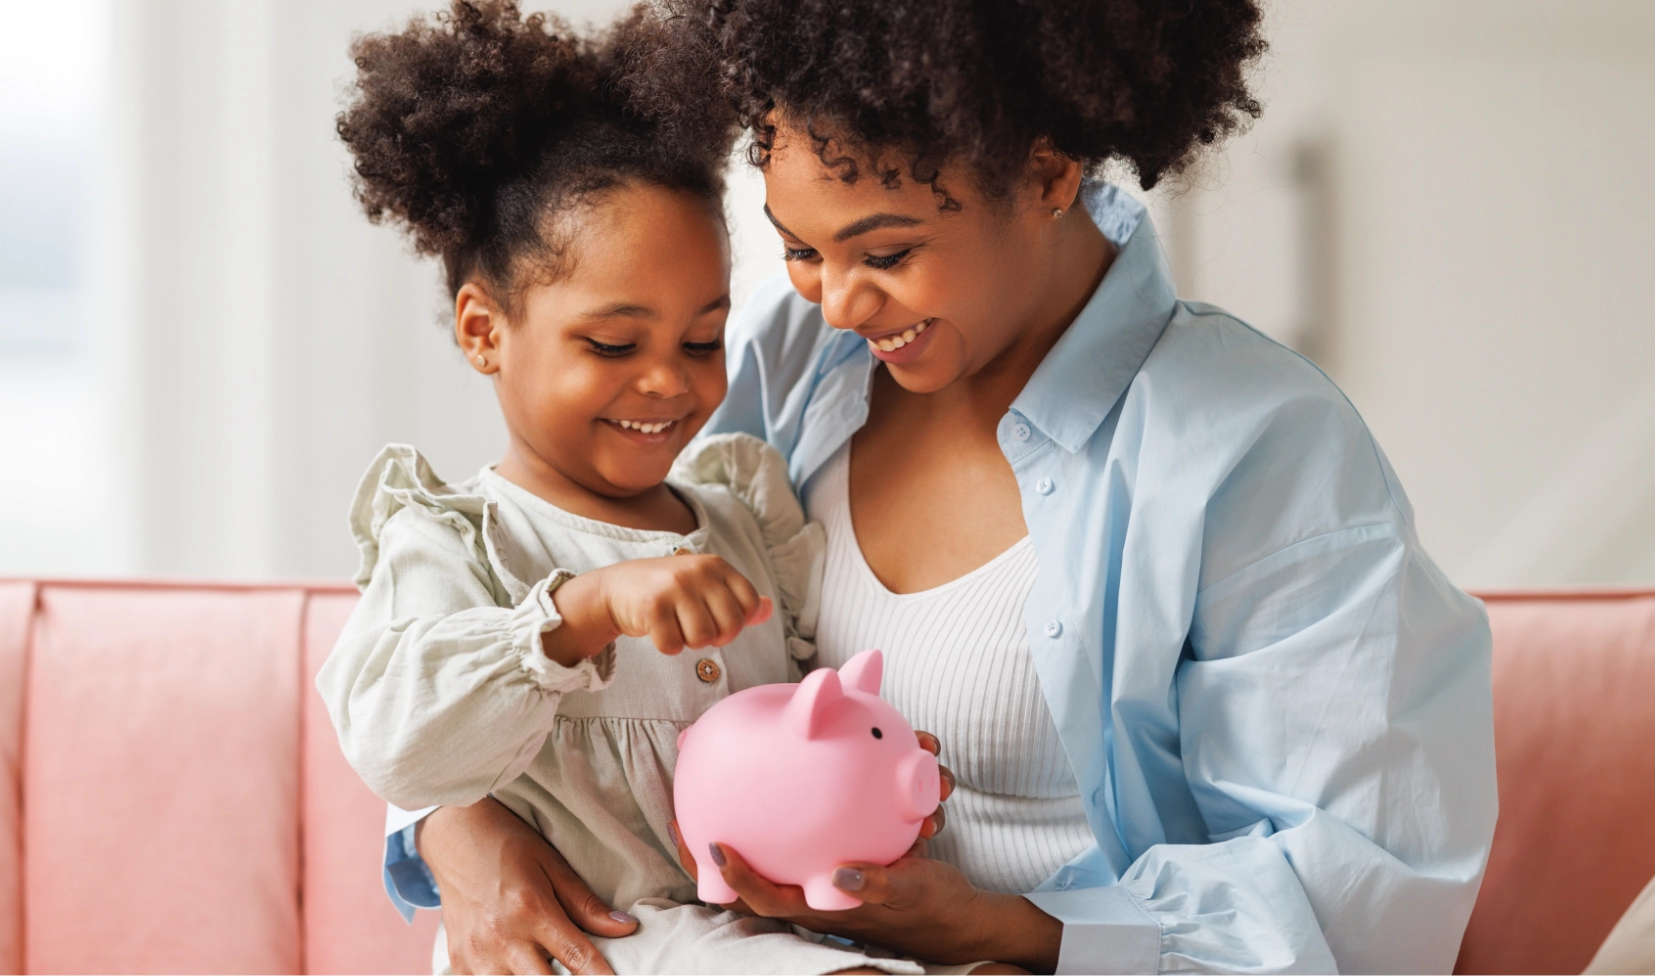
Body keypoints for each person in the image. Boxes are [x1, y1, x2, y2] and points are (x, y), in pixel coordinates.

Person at [403, 0, 1499, 973]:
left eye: (884, 252)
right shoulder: (797, 370)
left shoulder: (1258, 447)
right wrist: (452, 825)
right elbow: (536, 590)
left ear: (1046, 172)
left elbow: (1361, 906)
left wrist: (993, 927)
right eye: (796, 249)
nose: (834, 301)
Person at [317, 3, 961, 975]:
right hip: (596, 941)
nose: (670, 382)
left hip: (756, 933)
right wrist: (577, 615)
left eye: (703, 340)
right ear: (484, 330)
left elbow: (798, 702)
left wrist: (860, 764)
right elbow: (396, 738)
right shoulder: (458, 539)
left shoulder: (739, 515)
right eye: (613, 344)